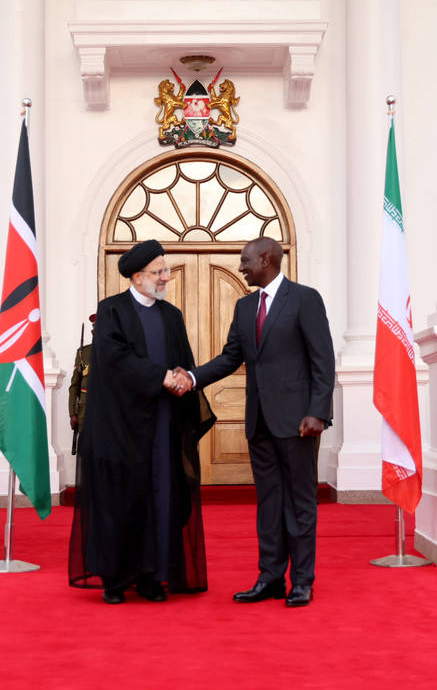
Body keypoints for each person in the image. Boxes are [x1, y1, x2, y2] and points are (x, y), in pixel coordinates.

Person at [175, 236, 334, 607]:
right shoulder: (245, 306)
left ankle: (302, 582)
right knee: (269, 503)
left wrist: (318, 412)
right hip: (259, 422)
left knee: (300, 504)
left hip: (298, 422)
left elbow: (322, 360)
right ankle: (270, 578)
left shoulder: (305, 299)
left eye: (245, 260)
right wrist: (193, 377)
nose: (241, 267)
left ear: (267, 260)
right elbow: (231, 357)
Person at [68, 239, 213, 604]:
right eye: (158, 272)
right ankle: (116, 580)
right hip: (119, 428)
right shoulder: (111, 311)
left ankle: (152, 577)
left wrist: (182, 376)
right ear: (137, 276)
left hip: (162, 425)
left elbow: (183, 359)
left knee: (162, 497)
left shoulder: (171, 315)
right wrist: (160, 376)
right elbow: (115, 361)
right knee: (122, 500)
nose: (165, 277)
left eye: (166, 270)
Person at [67, 314, 96, 456]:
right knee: (85, 455)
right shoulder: (83, 353)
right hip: (85, 411)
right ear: (93, 331)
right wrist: (73, 413)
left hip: (109, 411)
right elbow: (74, 386)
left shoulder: (116, 352)